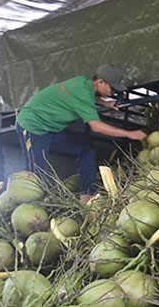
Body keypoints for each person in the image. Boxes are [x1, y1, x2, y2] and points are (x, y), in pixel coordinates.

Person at [15, 64, 147, 203]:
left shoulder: (82, 82)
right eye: (112, 88)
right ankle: (29, 206)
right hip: (33, 126)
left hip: (52, 128)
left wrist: (104, 103)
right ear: (101, 82)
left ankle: (88, 194)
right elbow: (96, 127)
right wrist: (129, 134)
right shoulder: (82, 93)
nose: (113, 92)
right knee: (35, 172)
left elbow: (85, 98)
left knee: (85, 148)